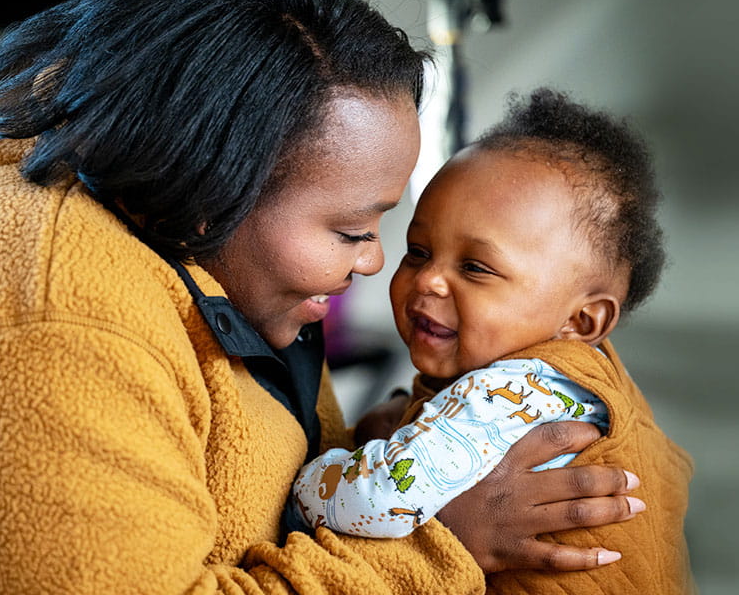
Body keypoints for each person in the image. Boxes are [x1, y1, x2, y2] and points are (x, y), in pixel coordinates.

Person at [0, 0, 641, 592]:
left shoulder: (198, 243)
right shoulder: (43, 332)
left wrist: (378, 442)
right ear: (211, 182)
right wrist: (441, 544)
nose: (373, 264)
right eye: (354, 229)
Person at [292, 88, 695, 593]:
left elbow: (376, 501)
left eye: (476, 267)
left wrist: (322, 469)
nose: (429, 280)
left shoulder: (507, 390)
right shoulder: (593, 381)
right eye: (418, 251)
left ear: (584, 320)